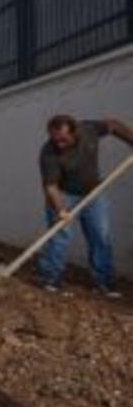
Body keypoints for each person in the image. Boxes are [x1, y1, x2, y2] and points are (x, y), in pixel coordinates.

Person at [37, 115, 133, 297]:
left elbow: (113, 125)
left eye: (63, 140)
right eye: (54, 139)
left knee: (100, 236)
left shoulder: (89, 130)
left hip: (94, 193)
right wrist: (60, 210)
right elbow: (51, 187)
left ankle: (105, 283)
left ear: (75, 133)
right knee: (59, 237)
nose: (59, 145)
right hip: (63, 195)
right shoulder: (48, 153)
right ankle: (50, 280)